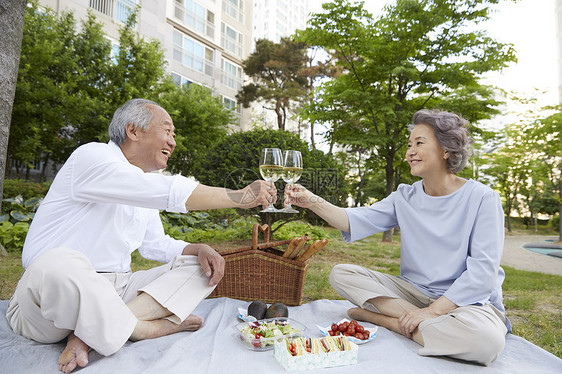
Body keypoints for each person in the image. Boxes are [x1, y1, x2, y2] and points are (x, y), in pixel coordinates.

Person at [6, 98, 277, 373]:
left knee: (201, 268)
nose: (173, 142)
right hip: (50, 299)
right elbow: (165, 191)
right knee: (57, 262)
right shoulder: (92, 157)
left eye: (174, 135)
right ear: (133, 131)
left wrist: (197, 248)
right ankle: (141, 329)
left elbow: (155, 244)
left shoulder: (142, 184)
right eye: (167, 131)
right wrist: (240, 196)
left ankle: (86, 336)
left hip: (117, 290)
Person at [284, 109, 510, 366]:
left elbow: (482, 274)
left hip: (465, 302)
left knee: (486, 343)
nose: (409, 152)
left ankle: (386, 320)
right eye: (409, 145)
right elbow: (352, 220)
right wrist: (311, 201)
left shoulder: (483, 198)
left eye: (419, 143)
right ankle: (426, 325)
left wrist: (433, 311)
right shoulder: (405, 196)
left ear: (446, 150)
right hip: (412, 294)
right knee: (341, 273)